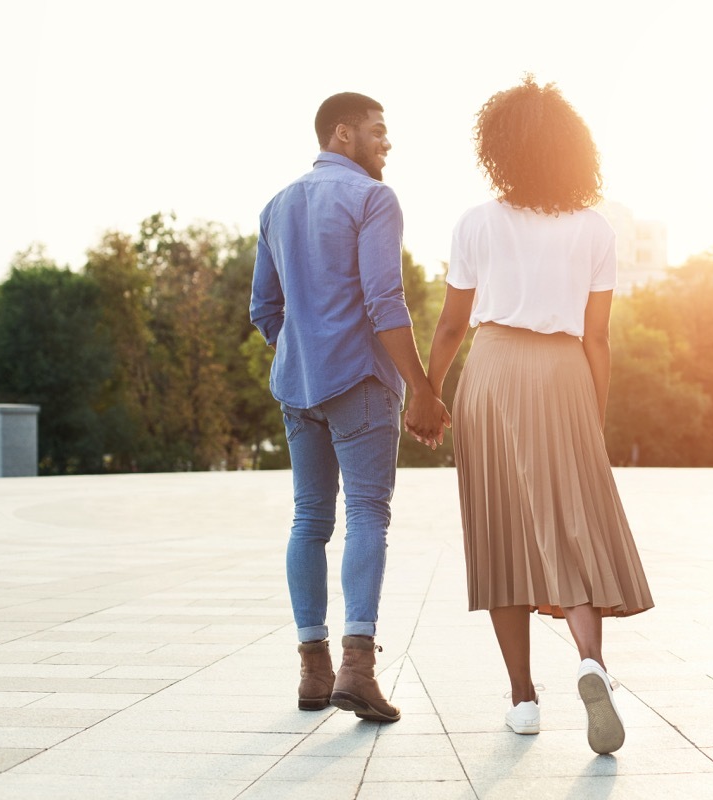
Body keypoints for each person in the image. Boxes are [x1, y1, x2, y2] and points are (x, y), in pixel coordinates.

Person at [426, 76, 654, 755]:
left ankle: (523, 698)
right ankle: (591, 662)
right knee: (574, 526)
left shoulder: (476, 222)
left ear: (497, 149)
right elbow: (600, 338)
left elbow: (450, 325)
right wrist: (594, 410)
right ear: (573, 150)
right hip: (564, 374)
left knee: (501, 532)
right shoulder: (594, 229)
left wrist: (429, 393)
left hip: (492, 371)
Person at [250, 91, 448, 722]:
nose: (386, 143)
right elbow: (385, 301)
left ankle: (314, 672)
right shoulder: (372, 198)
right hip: (361, 381)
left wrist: (303, 351)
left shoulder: (276, 205)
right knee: (367, 514)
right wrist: (422, 388)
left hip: (296, 387)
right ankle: (358, 671)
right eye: (377, 132)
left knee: (309, 520)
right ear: (342, 134)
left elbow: (263, 309)